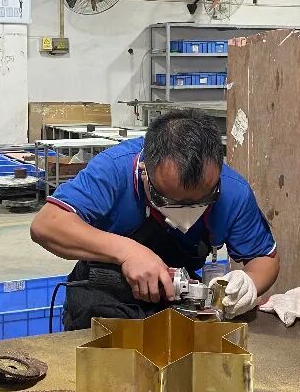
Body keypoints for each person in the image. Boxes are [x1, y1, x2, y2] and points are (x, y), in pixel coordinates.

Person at [31, 108, 280, 329]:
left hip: (175, 305)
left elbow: (264, 258)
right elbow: (47, 224)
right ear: (144, 171)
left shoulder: (233, 191)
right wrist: (128, 252)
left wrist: (248, 283)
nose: (187, 212)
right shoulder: (114, 169)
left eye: (203, 200)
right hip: (102, 299)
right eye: (167, 200)